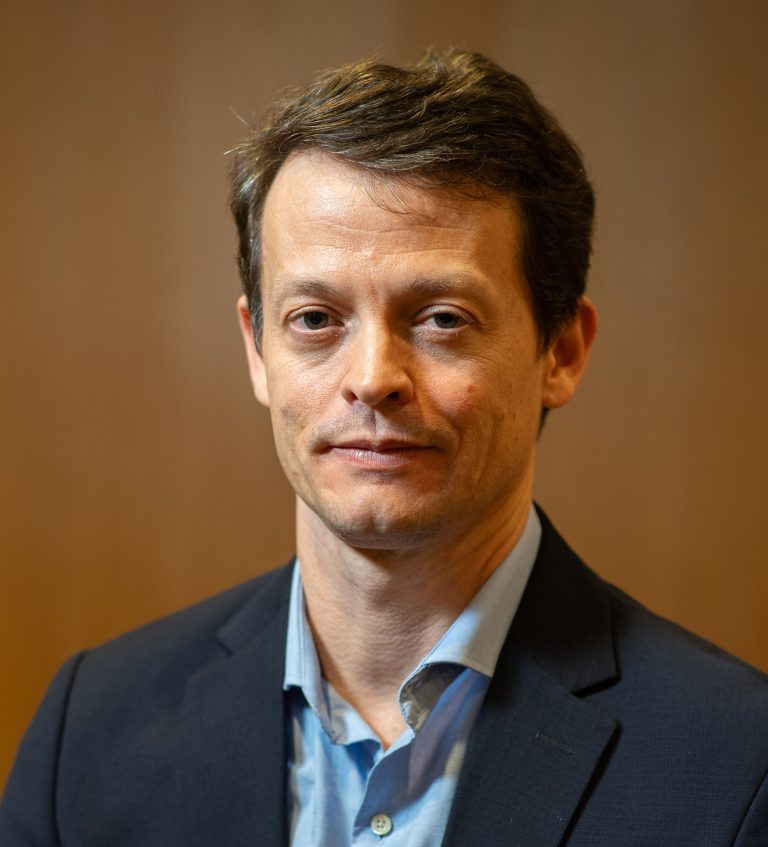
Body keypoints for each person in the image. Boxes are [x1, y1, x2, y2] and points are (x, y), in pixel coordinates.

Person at [2, 49, 767, 847]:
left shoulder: (740, 766)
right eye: (315, 319)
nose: (372, 379)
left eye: (442, 319)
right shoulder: (87, 735)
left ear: (562, 352)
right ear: (257, 349)